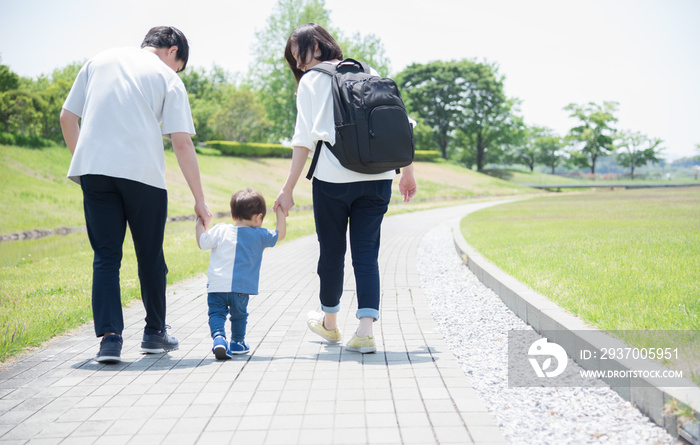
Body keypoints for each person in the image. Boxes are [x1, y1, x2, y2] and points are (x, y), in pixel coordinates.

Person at [60, 26, 212, 364]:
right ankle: (155, 333)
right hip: (142, 175)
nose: (178, 72)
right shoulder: (168, 77)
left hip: (95, 172)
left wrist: (82, 166)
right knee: (150, 255)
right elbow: (182, 142)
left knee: (106, 256)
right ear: (173, 51)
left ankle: (109, 340)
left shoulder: (98, 60)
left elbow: (67, 117)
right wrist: (200, 200)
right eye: (180, 65)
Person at [274, 23, 417, 354]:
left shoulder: (311, 82)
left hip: (332, 180)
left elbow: (302, 142)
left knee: (332, 251)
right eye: (294, 59)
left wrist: (287, 189)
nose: (299, 64)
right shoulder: (370, 71)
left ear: (318, 47)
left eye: (300, 55)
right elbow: (400, 125)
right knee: (366, 253)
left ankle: (331, 324)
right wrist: (407, 172)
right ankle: (365, 331)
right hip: (378, 178)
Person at [196, 188, 286, 358]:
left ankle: (219, 338)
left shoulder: (220, 229)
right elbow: (280, 234)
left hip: (216, 287)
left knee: (216, 314)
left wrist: (199, 223)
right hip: (241, 288)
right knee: (239, 316)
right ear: (259, 217)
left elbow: (203, 242)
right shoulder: (259, 234)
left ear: (233, 215)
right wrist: (280, 211)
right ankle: (237, 342)